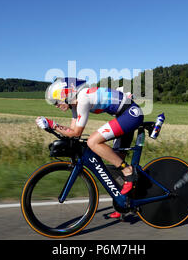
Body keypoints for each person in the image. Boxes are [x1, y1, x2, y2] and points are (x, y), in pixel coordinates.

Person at [35, 77, 144, 218]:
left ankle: (128, 171)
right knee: (115, 161)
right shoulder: (75, 105)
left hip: (130, 114)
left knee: (93, 142)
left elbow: (76, 132)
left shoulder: (83, 98)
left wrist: (53, 124)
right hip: (125, 114)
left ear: (66, 94)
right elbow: (73, 132)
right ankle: (124, 203)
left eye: (57, 101)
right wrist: (52, 127)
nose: (56, 105)